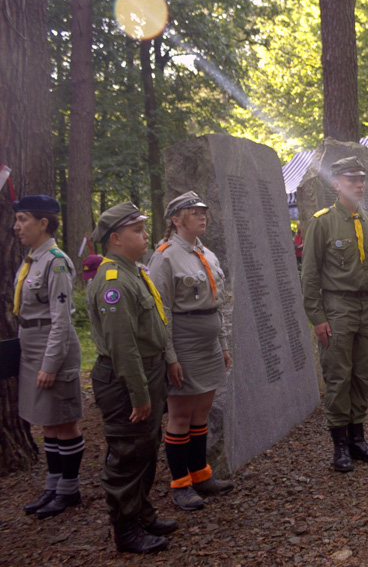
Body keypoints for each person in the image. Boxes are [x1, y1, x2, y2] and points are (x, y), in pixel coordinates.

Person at [87, 202, 175, 553]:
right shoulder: (114, 281)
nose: (145, 235)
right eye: (137, 230)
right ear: (116, 239)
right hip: (125, 379)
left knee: (146, 447)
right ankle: (126, 530)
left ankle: (141, 512)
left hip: (147, 369)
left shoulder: (134, 271)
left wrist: (167, 360)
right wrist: (139, 395)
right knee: (128, 452)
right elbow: (123, 347)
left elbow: (151, 325)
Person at [148, 192, 234, 511]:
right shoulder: (165, 256)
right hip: (182, 342)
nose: (202, 216)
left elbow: (219, 303)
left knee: (201, 412)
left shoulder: (206, 254)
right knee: (181, 416)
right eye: (194, 212)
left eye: (203, 211)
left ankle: (201, 475)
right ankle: (180, 483)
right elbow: (162, 311)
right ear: (176, 219)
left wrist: (222, 345)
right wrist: (170, 357)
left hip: (209, 342)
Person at [301, 156, 368, 472]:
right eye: (352, 180)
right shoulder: (322, 222)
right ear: (336, 184)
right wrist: (318, 317)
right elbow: (309, 275)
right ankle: (340, 447)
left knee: (363, 374)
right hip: (338, 307)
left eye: (361, 180)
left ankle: (358, 439)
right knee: (339, 375)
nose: (359, 185)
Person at [12, 195, 85, 519]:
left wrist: (50, 363)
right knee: (49, 422)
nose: (17, 226)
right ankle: (53, 485)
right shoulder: (32, 259)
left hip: (53, 346)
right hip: (31, 344)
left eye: (23, 219)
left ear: (44, 223)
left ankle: (69, 489)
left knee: (64, 421)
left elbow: (61, 319)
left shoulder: (56, 261)